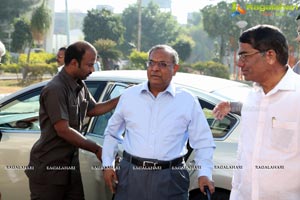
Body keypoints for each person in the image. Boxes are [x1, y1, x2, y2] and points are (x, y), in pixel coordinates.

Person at [102, 44, 215, 200]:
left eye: (162, 64)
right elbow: (112, 133)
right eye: (151, 63)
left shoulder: (187, 100)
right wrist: (107, 164)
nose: (155, 68)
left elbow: (203, 142)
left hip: (171, 178)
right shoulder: (129, 96)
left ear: (175, 69)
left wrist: (205, 173)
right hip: (131, 175)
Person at [214, 25, 300, 199]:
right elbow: (243, 155)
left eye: (244, 55)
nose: (239, 63)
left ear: (270, 55)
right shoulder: (252, 96)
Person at [25, 41, 119, 200]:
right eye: (89, 65)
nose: (91, 70)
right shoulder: (56, 88)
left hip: (69, 169)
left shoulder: (79, 84)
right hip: (49, 169)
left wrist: (124, 98)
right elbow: (63, 129)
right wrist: (97, 149)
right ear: (74, 63)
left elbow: (93, 109)